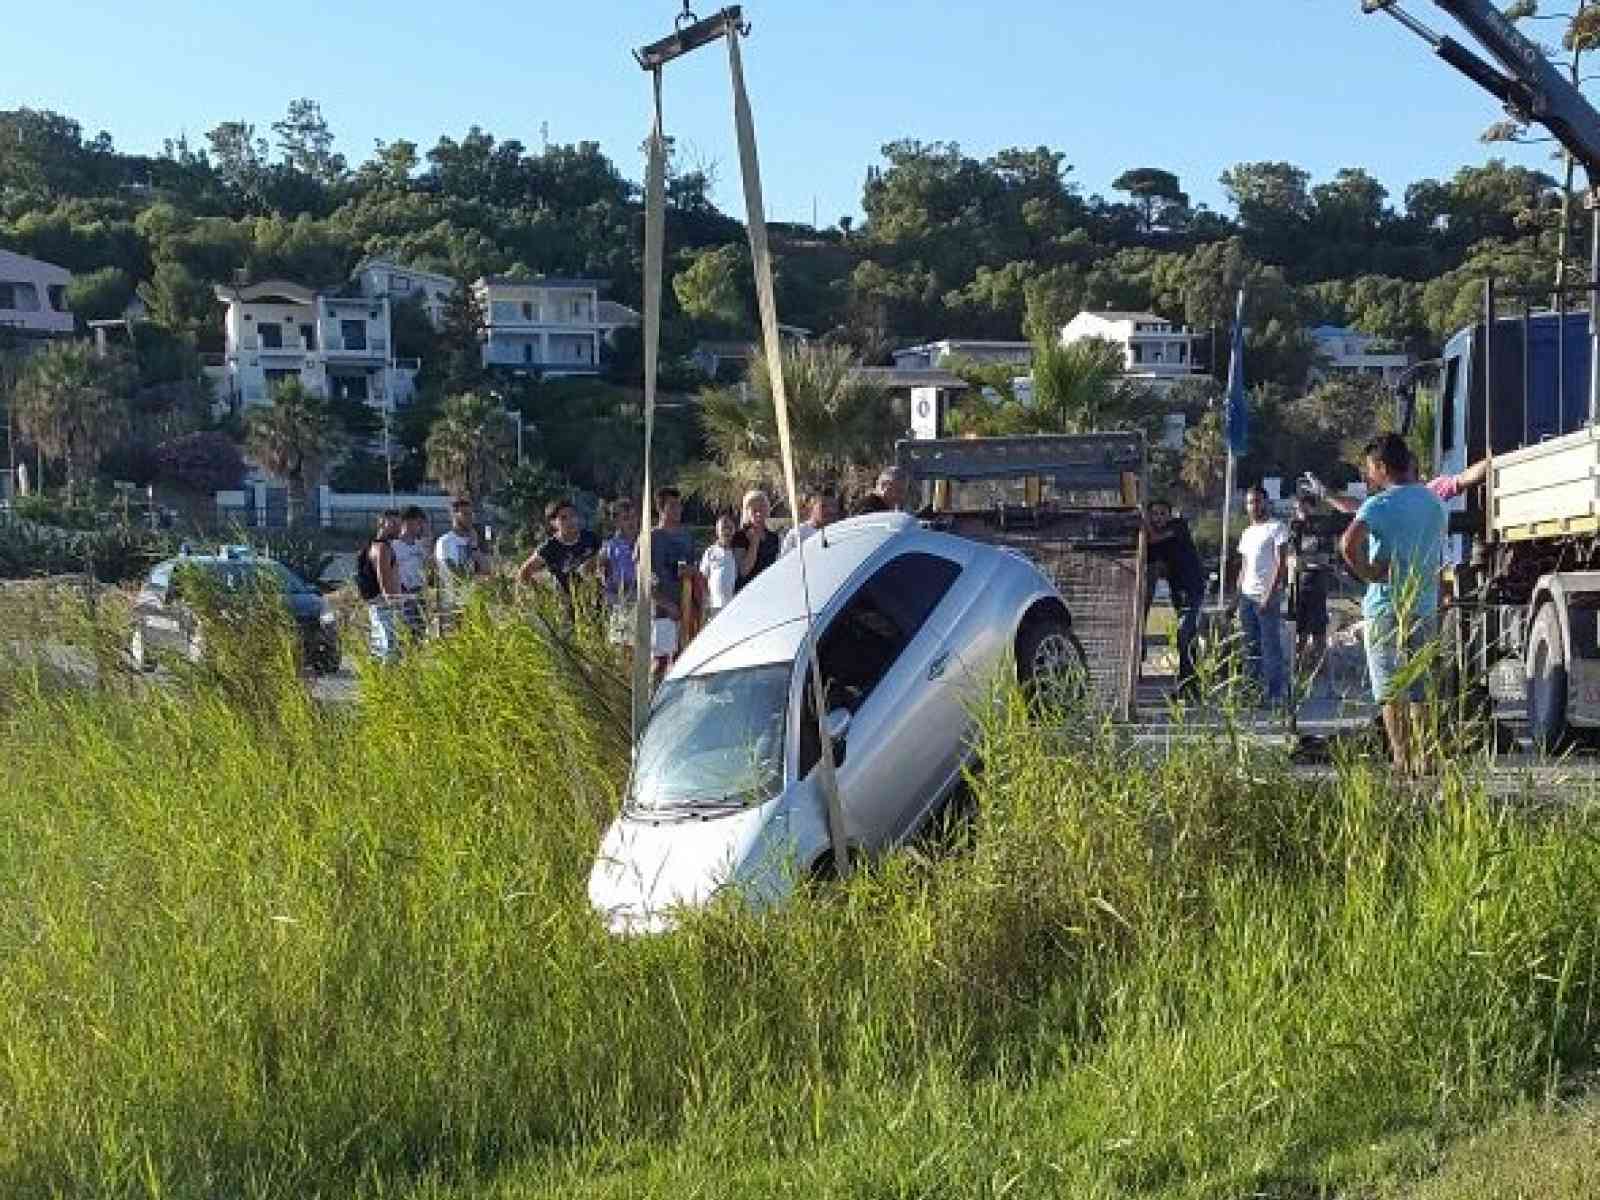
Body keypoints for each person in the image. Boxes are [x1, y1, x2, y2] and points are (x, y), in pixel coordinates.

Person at [1339, 433, 1448, 776]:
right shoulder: (1433, 503)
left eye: (1370, 469)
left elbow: (1347, 544)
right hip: (1424, 605)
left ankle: (1402, 760)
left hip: (1387, 607)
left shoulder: (1380, 504)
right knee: (1421, 689)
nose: (1369, 476)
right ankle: (1426, 758)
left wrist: (1369, 572)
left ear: (1382, 467)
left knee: (1391, 689)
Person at [1143, 498, 1207, 697]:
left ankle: (1187, 684)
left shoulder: (1178, 526)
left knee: (1183, 634)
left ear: (1170, 515)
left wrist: (1142, 520)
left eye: (1163, 513)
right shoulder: (1157, 542)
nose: (1159, 517)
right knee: (1186, 639)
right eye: (1154, 514)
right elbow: (1148, 553)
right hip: (1178, 592)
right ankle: (1191, 685)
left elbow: (1152, 539)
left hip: (1192, 588)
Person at [1236, 485, 1290, 709]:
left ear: (1266, 502)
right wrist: (1235, 597)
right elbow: (1245, 566)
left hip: (1266, 596)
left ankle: (1275, 694)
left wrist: (1269, 594)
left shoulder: (1276, 528)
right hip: (1247, 598)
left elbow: (1281, 563)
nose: (1254, 506)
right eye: (1250, 502)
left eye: (1258, 501)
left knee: (1271, 646)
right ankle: (1251, 692)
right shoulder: (1247, 532)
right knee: (1250, 647)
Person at [518, 498, 601, 609]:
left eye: (572, 515)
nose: (570, 521)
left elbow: (604, 560)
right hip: (567, 603)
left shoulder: (590, 538)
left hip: (594, 598)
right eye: (563, 518)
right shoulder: (549, 548)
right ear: (553, 523)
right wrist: (543, 594)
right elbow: (524, 573)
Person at [648, 486, 695, 677]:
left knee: (680, 660)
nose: (678, 510)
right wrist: (666, 605)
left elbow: (693, 566)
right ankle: (651, 701)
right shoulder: (651, 537)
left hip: (685, 607)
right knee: (659, 662)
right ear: (661, 509)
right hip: (662, 610)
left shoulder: (686, 536)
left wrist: (691, 571)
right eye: (672, 506)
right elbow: (643, 577)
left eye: (679, 505)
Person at [1288, 491, 1332, 692]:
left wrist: (1305, 561)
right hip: (1297, 584)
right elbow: (1289, 557)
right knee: (1299, 630)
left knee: (1319, 630)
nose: (1301, 512)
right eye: (1298, 508)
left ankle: (1321, 669)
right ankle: (1296, 668)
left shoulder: (1321, 528)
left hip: (1317, 582)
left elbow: (1324, 558)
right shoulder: (1293, 528)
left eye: (1305, 507)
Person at [434, 497, 488, 629]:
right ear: (454, 515)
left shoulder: (474, 539)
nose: (470, 518)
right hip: (453, 602)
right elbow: (453, 574)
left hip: (473, 600)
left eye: (471, 514)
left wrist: (474, 547)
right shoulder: (445, 541)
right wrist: (478, 578)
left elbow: (487, 569)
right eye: (465, 514)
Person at [358, 510, 404, 663]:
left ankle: (376, 683)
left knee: (378, 649)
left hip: (377, 605)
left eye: (399, 524)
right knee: (389, 650)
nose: (398, 528)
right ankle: (387, 683)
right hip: (385, 605)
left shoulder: (374, 545)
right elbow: (385, 583)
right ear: (381, 523)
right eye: (393, 524)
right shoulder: (382, 549)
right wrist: (395, 605)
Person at [600, 497, 640, 645]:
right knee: (624, 648)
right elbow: (603, 578)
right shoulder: (609, 547)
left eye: (634, 517)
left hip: (646, 602)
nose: (631, 522)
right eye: (626, 518)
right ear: (616, 522)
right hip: (621, 603)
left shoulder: (647, 541)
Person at [391, 505, 430, 638]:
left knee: (420, 632)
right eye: (417, 522)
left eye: (421, 523)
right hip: (402, 594)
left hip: (419, 593)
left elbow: (429, 567)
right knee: (405, 632)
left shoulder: (421, 546)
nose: (420, 526)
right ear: (406, 522)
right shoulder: (393, 546)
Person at [732, 489, 781, 590]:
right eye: (754, 510)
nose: (758, 514)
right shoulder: (740, 536)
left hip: (769, 589)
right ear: (747, 512)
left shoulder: (773, 537)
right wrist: (754, 543)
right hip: (748, 591)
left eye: (761, 509)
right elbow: (743, 571)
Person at [699, 514, 740, 621]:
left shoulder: (737, 552)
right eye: (723, 528)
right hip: (714, 605)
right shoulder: (710, 552)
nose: (727, 532)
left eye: (730, 528)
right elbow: (702, 578)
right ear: (717, 531)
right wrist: (706, 601)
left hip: (733, 604)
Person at [781, 491, 840, 555]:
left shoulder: (839, 532)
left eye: (833, 506)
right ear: (811, 507)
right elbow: (786, 560)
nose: (829, 510)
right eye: (823, 506)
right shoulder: (797, 534)